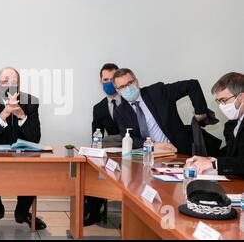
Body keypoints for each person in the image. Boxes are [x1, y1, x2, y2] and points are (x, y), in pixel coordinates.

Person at [0, 67, 46, 230]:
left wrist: (21, 115)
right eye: (6, 81)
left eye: (14, 82)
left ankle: (22, 212)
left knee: (32, 171)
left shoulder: (31, 101)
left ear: (20, 86)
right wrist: (5, 114)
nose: (10, 85)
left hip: (22, 157)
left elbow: (35, 138)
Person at [112, 68, 208, 154]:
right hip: (149, 154)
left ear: (136, 82)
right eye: (122, 87)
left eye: (130, 83)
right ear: (118, 91)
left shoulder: (157, 91)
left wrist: (200, 112)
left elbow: (192, 85)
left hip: (178, 151)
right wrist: (153, 144)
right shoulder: (120, 111)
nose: (127, 88)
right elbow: (129, 138)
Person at [188, 72, 244, 177]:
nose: (222, 106)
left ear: (241, 97)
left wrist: (214, 164)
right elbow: (233, 155)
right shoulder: (233, 123)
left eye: (224, 100)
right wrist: (210, 159)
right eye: (219, 102)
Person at [86, 63, 121, 226]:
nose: (108, 83)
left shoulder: (131, 101)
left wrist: (111, 139)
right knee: (92, 169)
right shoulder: (99, 108)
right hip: (113, 152)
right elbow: (96, 138)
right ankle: (93, 214)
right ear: (100, 81)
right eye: (105, 79)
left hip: (137, 150)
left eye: (111, 79)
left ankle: (132, 218)